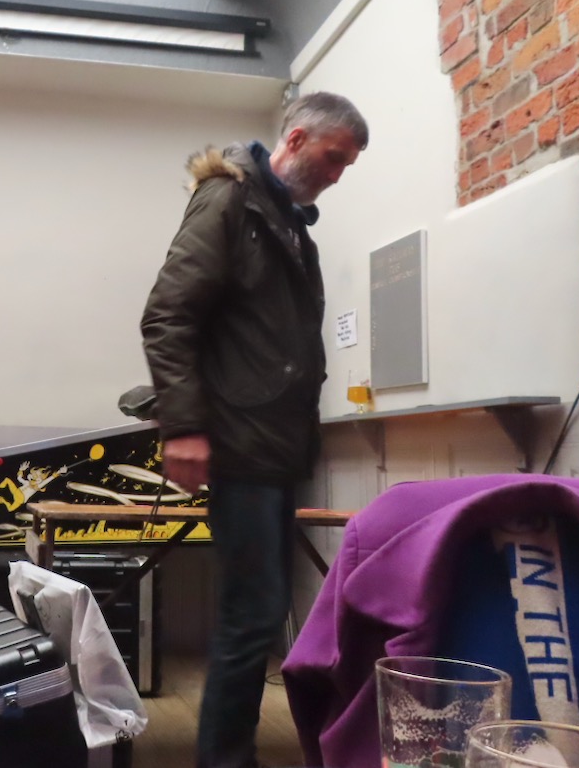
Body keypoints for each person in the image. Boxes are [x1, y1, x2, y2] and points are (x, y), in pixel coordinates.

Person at [140, 91, 368, 768]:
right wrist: (184, 426)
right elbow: (168, 315)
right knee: (253, 612)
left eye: (347, 165)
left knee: (258, 612)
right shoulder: (230, 201)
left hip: (273, 447)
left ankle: (228, 753)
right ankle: (225, 759)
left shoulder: (287, 223)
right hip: (241, 442)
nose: (338, 175)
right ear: (295, 140)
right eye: (334, 158)